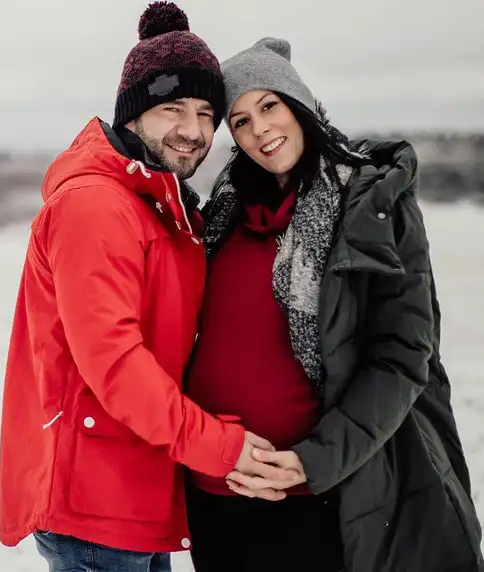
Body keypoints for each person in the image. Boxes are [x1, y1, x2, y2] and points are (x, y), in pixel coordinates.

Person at [0, 4, 299, 571]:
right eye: (172, 109)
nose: (193, 131)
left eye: (208, 112)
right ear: (133, 115)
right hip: (94, 505)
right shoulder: (97, 206)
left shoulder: (160, 205)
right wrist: (221, 447)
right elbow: (114, 363)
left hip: (136, 489)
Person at [184, 36, 484, 572]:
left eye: (269, 106)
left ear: (298, 103)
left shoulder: (370, 205)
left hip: (315, 495)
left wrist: (311, 462)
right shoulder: (223, 214)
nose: (260, 131)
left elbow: (402, 356)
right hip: (218, 493)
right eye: (241, 121)